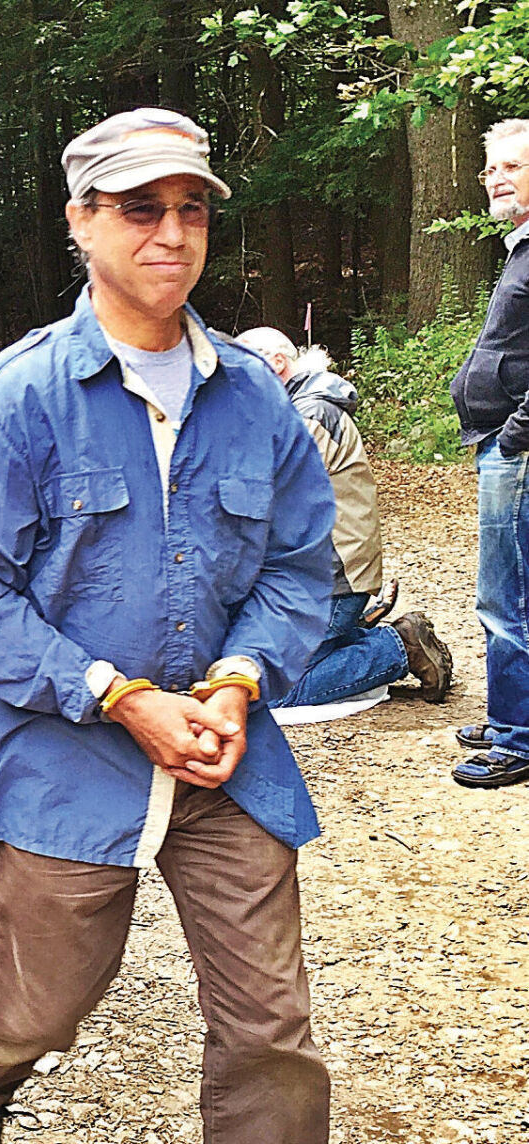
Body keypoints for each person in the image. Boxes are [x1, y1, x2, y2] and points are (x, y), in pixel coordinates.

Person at [0, 110, 335, 1144]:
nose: (170, 231)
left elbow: (300, 565)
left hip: (217, 752)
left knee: (271, 1028)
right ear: (81, 220)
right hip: (64, 751)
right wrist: (112, 694)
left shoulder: (253, 397)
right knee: (41, 1005)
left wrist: (241, 680)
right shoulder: (19, 398)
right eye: (139, 207)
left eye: (189, 207)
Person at [235, 326, 452, 711]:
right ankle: (349, 636)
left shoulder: (311, 414)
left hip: (329, 583)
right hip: (312, 578)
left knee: (275, 689)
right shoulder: (296, 409)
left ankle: (397, 646)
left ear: (276, 363)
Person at [449, 116, 529, 787]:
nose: (497, 178)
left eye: (511, 165)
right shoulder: (520, 249)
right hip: (503, 444)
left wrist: (516, 434)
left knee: (507, 597)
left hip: (518, 450)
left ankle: (518, 735)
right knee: (507, 591)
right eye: (490, 169)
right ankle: (513, 711)